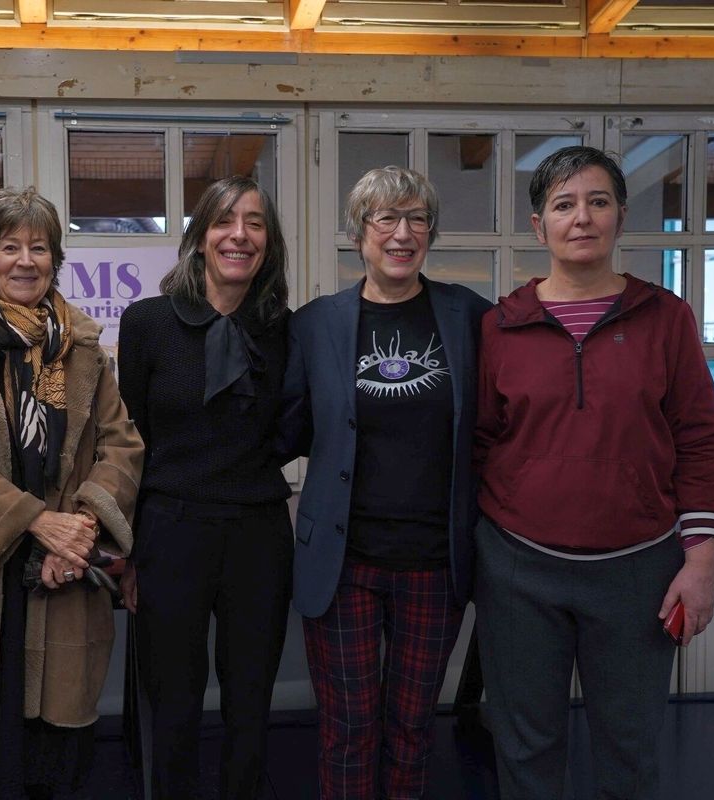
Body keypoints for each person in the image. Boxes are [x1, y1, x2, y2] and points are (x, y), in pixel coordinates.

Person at [473, 145, 714, 800]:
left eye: (597, 201)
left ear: (618, 216)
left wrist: (700, 562)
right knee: (526, 749)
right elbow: (476, 444)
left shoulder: (666, 319)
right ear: (539, 227)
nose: (580, 217)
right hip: (518, 571)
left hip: (639, 573)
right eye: (563, 205)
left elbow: (697, 440)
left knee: (630, 749)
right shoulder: (499, 328)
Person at [0, 186, 144, 800]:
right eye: (8, 246)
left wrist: (81, 531)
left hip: (64, 576)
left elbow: (122, 447)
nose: (25, 260)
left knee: (54, 757)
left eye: (39, 247)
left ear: (56, 258)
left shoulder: (85, 352)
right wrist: (38, 523)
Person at [278, 166, 490, 799]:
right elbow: (283, 427)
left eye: (416, 219)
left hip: (434, 560)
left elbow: (505, 422)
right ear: (358, 234)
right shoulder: (315, 325)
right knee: (348, 727)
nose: (402, 233)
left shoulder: (469, 317)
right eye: (385, 220)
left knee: (412, 727)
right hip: (343, 562)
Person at [117, 175, 293, 800]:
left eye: (254, 223)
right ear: (198, 240)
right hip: (170, 530)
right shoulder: (146, 324)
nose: (238, 235)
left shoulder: (284, 329)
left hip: (258, 534)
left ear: (269, 244)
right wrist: (128, 552)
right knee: (173, 704)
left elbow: (293, 428)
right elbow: (127, 442)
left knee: (249, 705)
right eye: (224, 221)